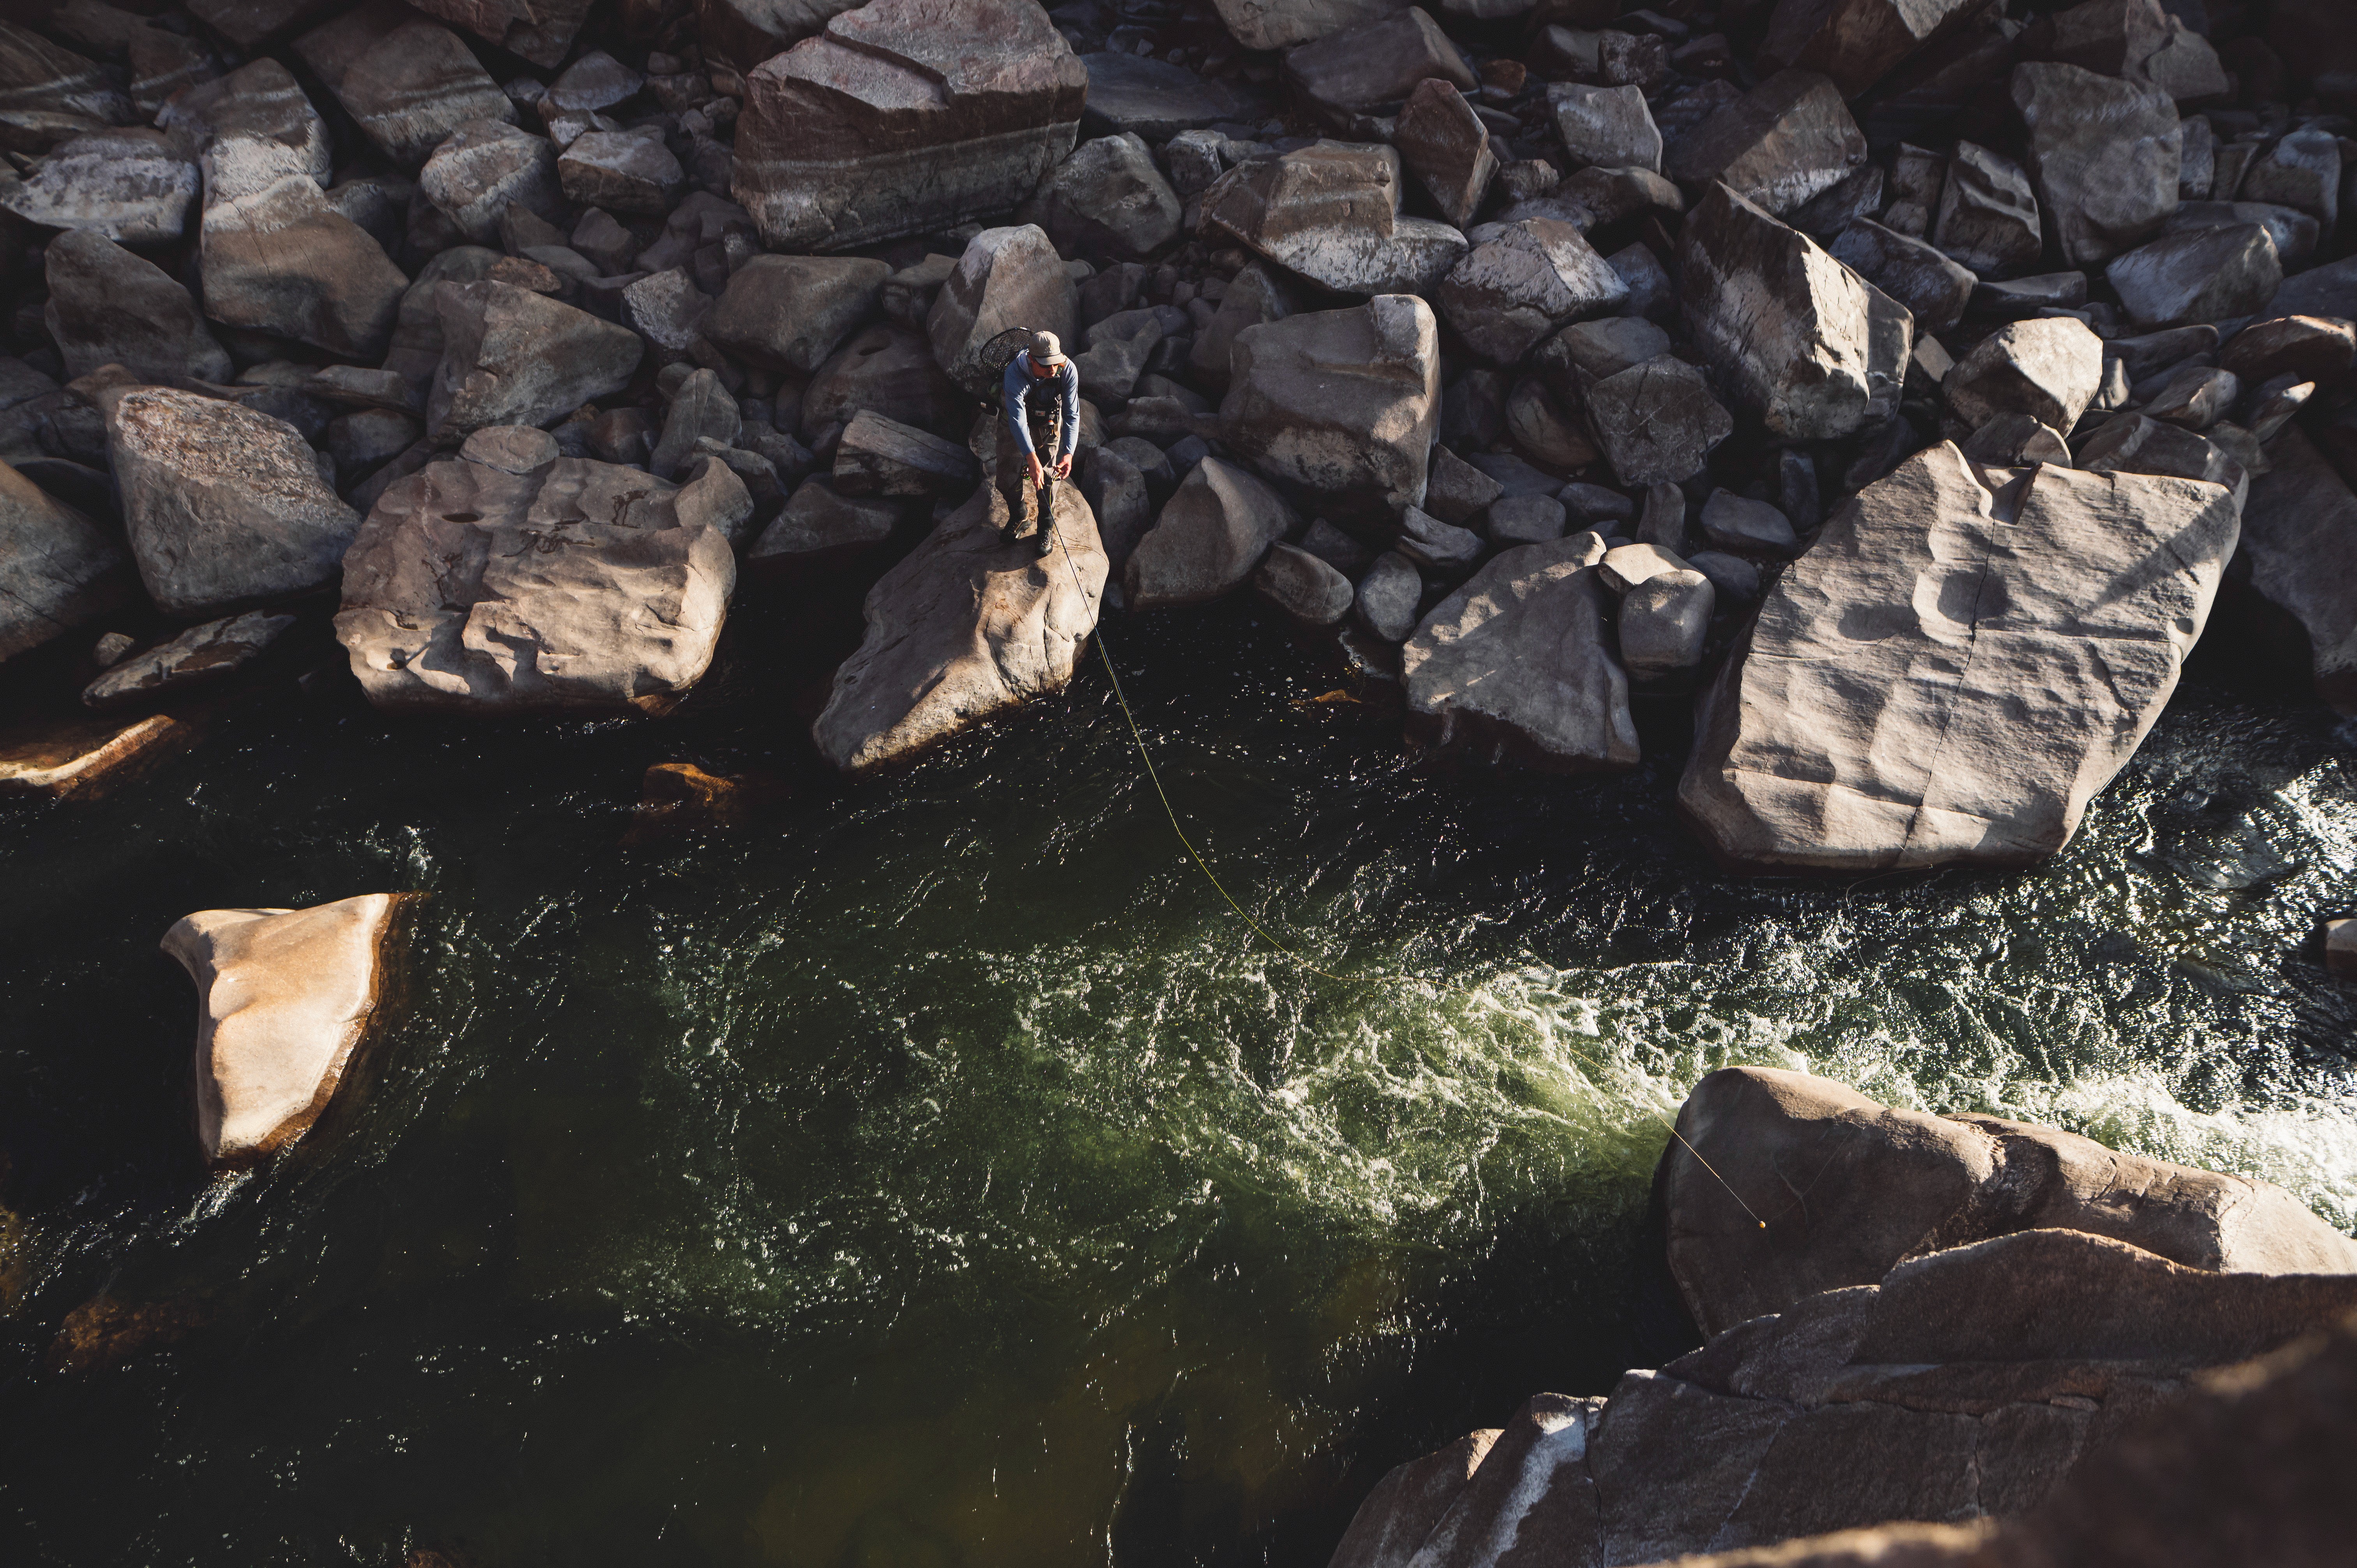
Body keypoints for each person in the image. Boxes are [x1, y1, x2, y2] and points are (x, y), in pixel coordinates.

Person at [997, 330, 1080, 556]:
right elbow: (1017, 419)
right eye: (1045, 366)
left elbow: (1072, 415)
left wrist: (1068, 453)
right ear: (1031, 360)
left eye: (1055, 363)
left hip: (1048, 424)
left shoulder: (1067, 370)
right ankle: (1019, 514)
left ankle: (1045, 523)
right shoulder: (1014, 373)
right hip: (1013, 425)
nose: (1052, 370)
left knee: (1049, 477)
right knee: (1006, 476)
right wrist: (1030, 457)